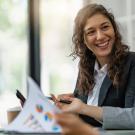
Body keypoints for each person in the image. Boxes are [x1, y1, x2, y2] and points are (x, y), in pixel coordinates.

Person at [54, 3, 135, 126]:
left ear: (114, 30)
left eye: (105, 27)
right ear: (83, 40)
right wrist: (67, 106)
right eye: (91, 32)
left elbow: (133, 117)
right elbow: (81, 118)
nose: (100, 36)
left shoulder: (131, 63)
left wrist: (83, 108)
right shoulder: (85, 67)